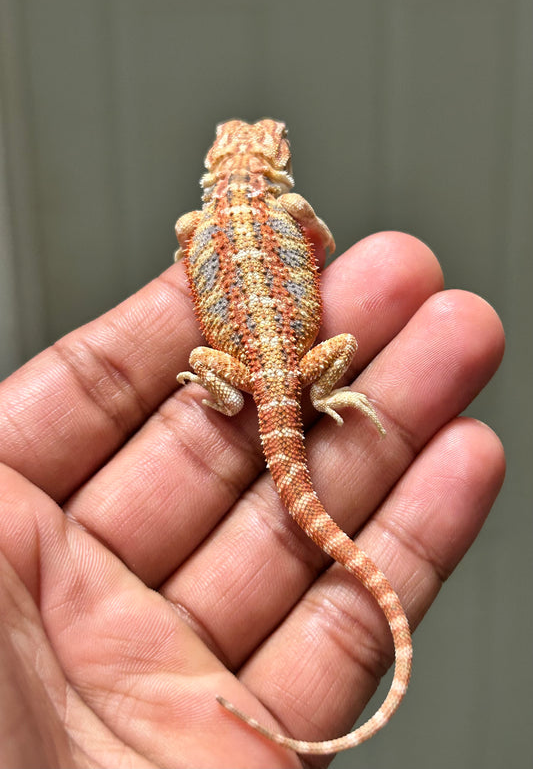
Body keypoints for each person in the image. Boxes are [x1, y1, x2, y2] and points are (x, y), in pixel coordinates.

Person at [0, 231, 505, 767]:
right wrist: (318, 391)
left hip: (253, 373)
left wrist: (220, 388)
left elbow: (188, 232)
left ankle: (239, 397)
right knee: (332, 346)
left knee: (201, 355)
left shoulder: (204, 225)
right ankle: (320, 393)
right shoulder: (279, 215)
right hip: (292, 368)